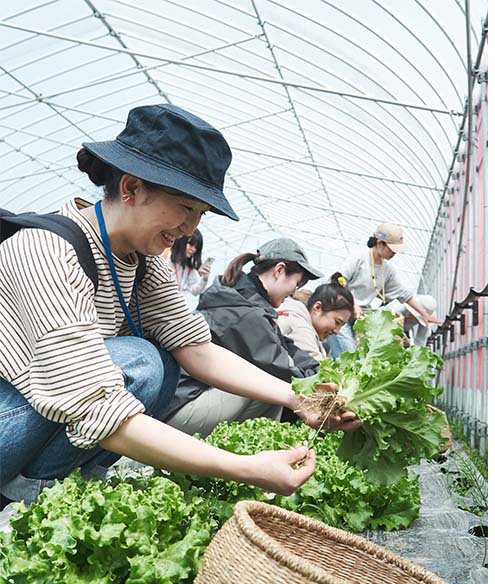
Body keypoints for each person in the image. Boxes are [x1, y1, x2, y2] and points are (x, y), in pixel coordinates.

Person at [0, 104, 356, 508]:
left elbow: (197, 349)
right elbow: (95, 406)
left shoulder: (143, 261)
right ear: (131, 188)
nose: (191, 229)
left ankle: (64, 487)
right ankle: (27, 498)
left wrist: (299, 397)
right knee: (140, 362)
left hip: (35, 422)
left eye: (200, 214)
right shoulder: (47, 250)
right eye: (186, 208)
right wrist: (244, 466)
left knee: (164, 361)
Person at [165, 238, 326, 438]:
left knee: (273, 382)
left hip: (188, 397)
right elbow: (279, 367)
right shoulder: (245, 312)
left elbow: (285, 347)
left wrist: (321, 372)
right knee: (272, 384)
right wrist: (323, 389)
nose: (295, 291)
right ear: (279, 270)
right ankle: (248, 459)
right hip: (181, 408)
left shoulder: (247, 299)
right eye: (297, 283)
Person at [277, 274, 355, 363]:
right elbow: (317, 369)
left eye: (342, 325)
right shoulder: (299, 327)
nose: (337, 331)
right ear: (317, 308)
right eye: (337, 322)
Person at [170, 228, 211, 309]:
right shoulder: (165, 258)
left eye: (196, 247)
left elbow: (195, 291)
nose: (193, 250)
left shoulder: (188, 268)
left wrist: (204, 279)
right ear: (181, 241)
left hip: (175, 306)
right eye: (191, 244)